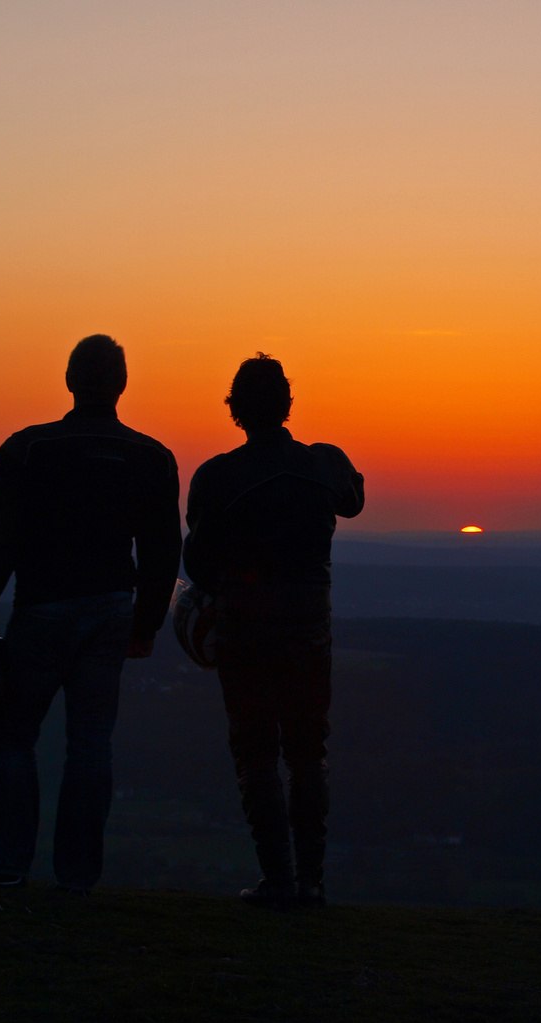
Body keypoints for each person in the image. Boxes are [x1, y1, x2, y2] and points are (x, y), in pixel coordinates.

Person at [0, 334, 181, 894]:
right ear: (122, 384)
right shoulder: (151, 457)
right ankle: (77, 876)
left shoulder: (28, 449)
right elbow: (161, 549)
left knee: (12, 735)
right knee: (91, 742)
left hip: (42, 606)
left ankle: (7, 862)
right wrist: (146, 623)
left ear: (70, 381)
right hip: (110, 610)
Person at [183, 353, 364, 907]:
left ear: (235, 410)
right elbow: (353, 499)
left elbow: (198, 562)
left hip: (244, 632)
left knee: (255, 752)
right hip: (310, 630)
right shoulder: (324, 465)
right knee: (308, 751)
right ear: (287, 404)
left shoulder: (215, 477)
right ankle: (311, 882)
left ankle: (278, 882)